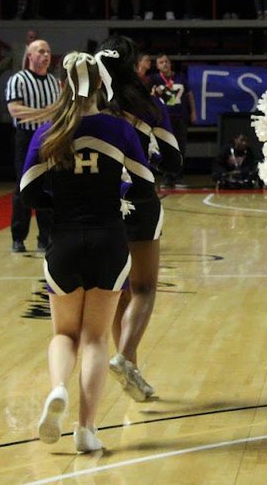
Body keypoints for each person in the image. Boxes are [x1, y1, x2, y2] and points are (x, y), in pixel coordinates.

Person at [20, 52, 155, 453]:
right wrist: (117, 193)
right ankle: (86, 429)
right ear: (101, 85)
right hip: (109, 241)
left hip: (63, 241)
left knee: (64, 333)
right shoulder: (119, 130)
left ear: (63, 85)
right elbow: (146, 186)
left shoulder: (49, 130)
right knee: (96, 338)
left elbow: (27, 192)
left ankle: (59, 386)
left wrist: (60, 202)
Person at [98, 36, 182, 402]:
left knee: (119, 291)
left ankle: (129, 366)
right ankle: (123, 358)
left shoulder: (93, 105)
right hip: (140, 199)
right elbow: (174, 157)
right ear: (135, 66)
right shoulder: (149, 105)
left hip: (100, 203)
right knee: (145, 288)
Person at [6, 38, 62, 253]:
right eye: (41, 52)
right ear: (30, 56)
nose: (46, 55)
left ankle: (45, 237)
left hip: (48, 136)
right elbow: (15, 111)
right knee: (23, 184)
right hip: (26, 136)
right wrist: (45, 112)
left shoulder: (54, 82)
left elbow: (57, 110)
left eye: (48, 52)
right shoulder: (18, 80)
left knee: (47, 184)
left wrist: (44, 113)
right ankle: (18, 238)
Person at [150, 53, 195, 185]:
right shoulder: (154, 79)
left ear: (170, 64)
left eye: (166, 62)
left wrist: (193, 112)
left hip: (180, 117)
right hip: (163, 119)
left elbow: (189, 95)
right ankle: (167, 176)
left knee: (180, 147)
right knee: (166, 147)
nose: (165, 64)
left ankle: (179, 176)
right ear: (157, 66)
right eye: (161, 62)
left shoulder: (180, 77)